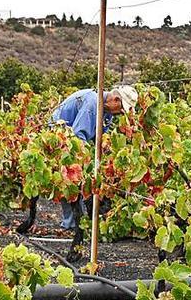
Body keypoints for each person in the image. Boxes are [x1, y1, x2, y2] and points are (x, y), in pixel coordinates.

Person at [49, 85, 138, 232]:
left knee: (82, 178)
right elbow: (78, 137)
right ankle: (71, 224)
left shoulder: (107, 111)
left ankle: (78, 222)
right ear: (116, 100)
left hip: (74, 139)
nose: (122, 113)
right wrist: (88, 163)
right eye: (122, 108)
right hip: (59, 138)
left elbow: (100, 138)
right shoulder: (93, 104)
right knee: (69, 178)